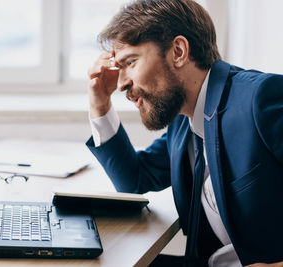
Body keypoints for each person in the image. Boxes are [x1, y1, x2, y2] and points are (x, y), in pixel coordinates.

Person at [85, 0, 283, 266]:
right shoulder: (183, 121)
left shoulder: (260, 99)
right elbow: (135, 181)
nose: (121, 83)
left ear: (178, 51)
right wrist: (100, 105)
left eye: (130, 62)